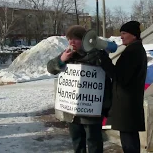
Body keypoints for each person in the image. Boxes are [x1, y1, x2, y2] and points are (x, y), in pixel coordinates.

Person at [47, 25, 112, 153]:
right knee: (77, 142)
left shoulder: (97, 55)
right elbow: (50, 68)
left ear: (84, 40)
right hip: (72, 111)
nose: (71, 42)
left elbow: (109, 76)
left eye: (75, 39)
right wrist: (61, 60)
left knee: (94, 142)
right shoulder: (67, 55)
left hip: (92, 111)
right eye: (69, 39)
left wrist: (106, 106)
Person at [100, 21, 147, 153]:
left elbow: (121, 77)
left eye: (124, 33)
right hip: (129, 102)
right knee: (130, 136)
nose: (121, 36)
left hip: (127, 103)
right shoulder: (135, 49)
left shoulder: (133, 52)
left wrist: (105, 60)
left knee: (129, 140)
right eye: (121, 33)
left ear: (133, 35)